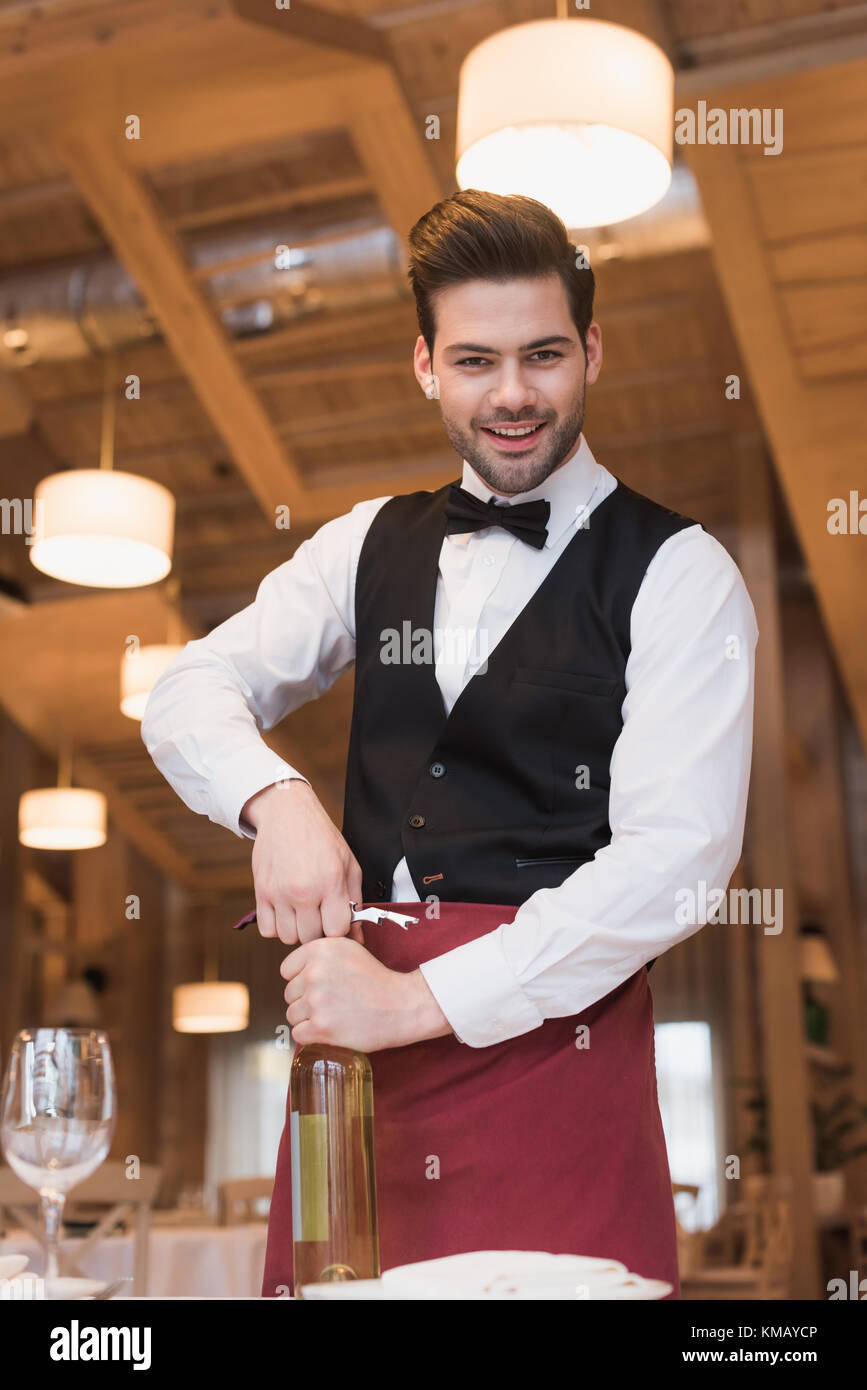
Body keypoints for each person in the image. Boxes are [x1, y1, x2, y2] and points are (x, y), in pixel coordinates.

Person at [142, 189, 757, 1299]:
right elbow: (188, 688)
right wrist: (273, 799)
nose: (513, 395)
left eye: (544, 355)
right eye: (475, 360)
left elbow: (680, 860)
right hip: (352, 1066)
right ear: (425, 363)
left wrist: (418, 1004)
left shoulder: (681, 572)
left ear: (594, 352)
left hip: (555, 1057)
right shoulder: (363, 545)